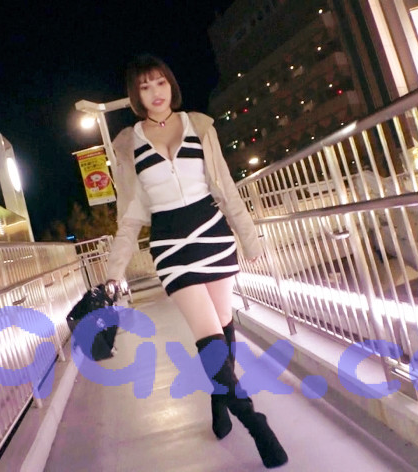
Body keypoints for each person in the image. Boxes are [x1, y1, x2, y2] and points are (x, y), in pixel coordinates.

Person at [104, 55, 288, 469]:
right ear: (135, 96)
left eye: (160, 83)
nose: (155, 92)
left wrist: (249, 238)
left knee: (222, 326)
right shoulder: (127, 144)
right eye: (145, 86)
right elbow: (129, 215)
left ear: (171, 84)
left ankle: (220, 397)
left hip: (214, 235)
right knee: (207, 334)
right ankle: (255, 422)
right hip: (171, 245)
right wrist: (113, 272)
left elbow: (225, 187)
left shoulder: (200, 126)